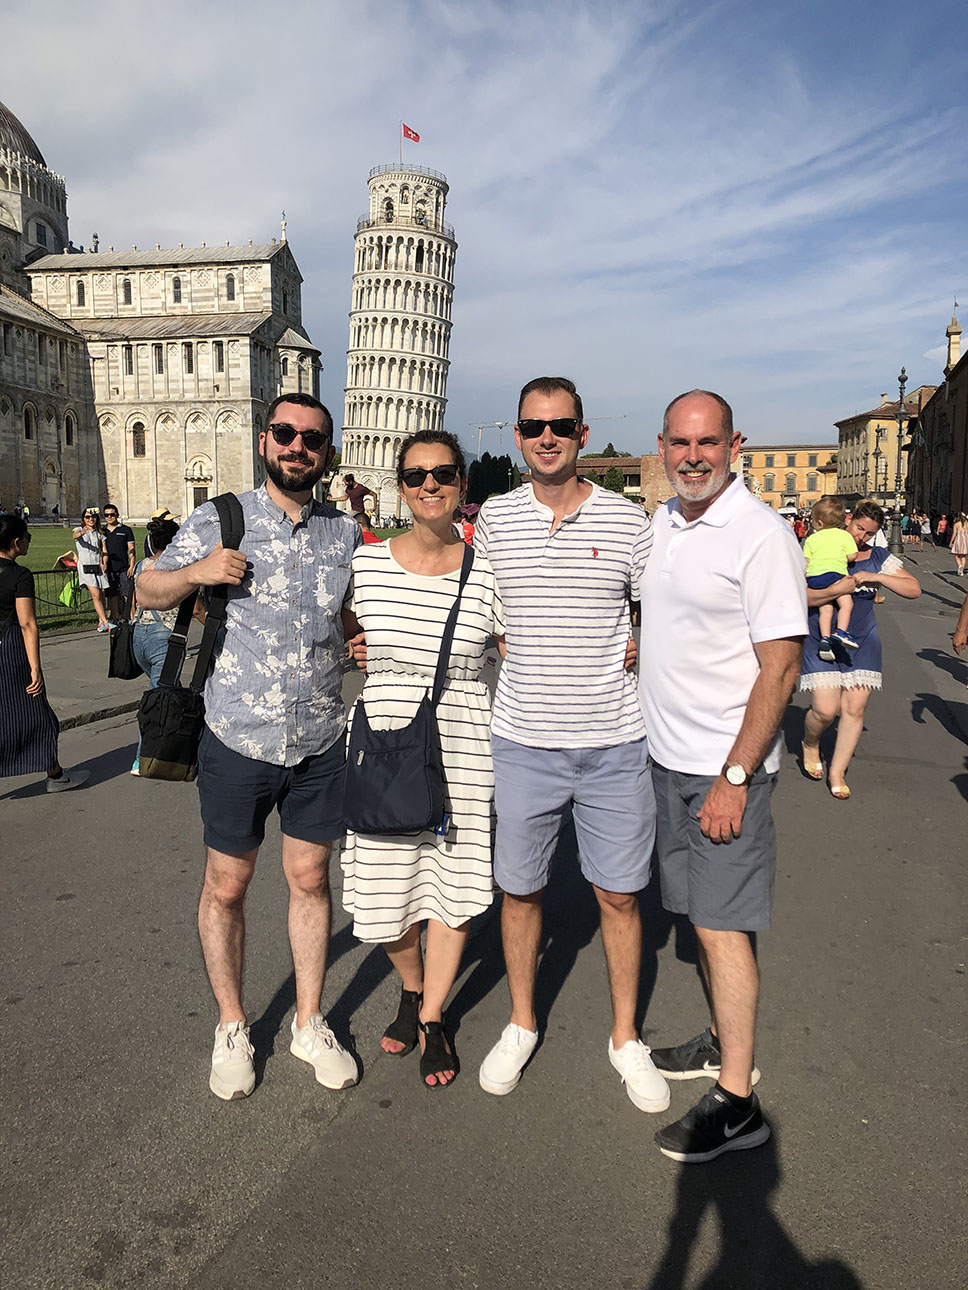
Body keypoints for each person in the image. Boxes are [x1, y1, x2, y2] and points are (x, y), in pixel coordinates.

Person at [137, 392, 362, 1102]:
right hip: (238, 734)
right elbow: (146, 589)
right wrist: (195, 574)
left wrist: (358, 637)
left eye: (312, 439)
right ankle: (232, 1024)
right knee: (227, 885)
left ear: (326, 453)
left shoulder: (344, 533)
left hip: (320, 736)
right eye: (286, 433)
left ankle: (308, 1021)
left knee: (311, 880)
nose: (298, 447)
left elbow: (349, 612)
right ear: (266, 440)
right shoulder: (221, 517)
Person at [474, 376, 668, 1115]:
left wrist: (645, 639)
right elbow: (470, 603)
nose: (546, 437)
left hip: (614, 739)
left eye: (560, 425)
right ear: (517, 436)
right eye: (533, 426)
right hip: (524, 738)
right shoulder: (496, 518)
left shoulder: (626, 521)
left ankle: (625, 1036)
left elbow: (663, 605)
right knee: (520, 889)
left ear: (583, 434)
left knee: (619, 895)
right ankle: (522, 1021)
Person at [638, 389, 807, 1164]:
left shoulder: (760, 534)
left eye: (708, 442)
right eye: (680, 442)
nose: (693, 456)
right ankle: (718, 1039)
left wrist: (736, 775)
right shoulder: (665, 524)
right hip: (668, 762)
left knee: (720, 925)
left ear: (734, 446)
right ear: (663, 447)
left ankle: (738, 1101)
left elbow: (782, 667)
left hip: (722, 770)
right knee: (702, 917)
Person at [341, 430, 505, 1089]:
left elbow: (524, 650)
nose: (429, 485)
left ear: (462, 483)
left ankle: (433, 1013)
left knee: (453, 884)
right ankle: (411, 984)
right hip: (384, 739)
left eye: (442, 473)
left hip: (463, 742)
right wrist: (357, 648)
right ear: (400, 486)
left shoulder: (488, 572)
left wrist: (625, 646)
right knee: (383, 891)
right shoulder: (366, 566)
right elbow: (331, 629)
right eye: (415, 475)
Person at [800, 498, 921, 800]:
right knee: (825, 710)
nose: (861, 537)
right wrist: (834, 590)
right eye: (858, 528)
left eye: (869, 533)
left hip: (862, 640)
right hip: (822, 637)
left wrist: (878, 577)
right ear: (848, 520)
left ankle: (837, 772)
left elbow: (914, 589)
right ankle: (810, 742)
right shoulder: (820, 547)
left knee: (854, 708)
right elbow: (799, 596)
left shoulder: (877, 556)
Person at [0, 515, 89, 792]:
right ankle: (55, 775)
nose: (29, 542)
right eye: (27, 537)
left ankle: (54, 771)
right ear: (17, 542)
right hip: (10, 647)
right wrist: (35, 667)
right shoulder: (19, 575)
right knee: (37, 713)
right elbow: (27, 624)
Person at [129, 516, 203, 776]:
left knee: (167, 692)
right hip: (165, 640)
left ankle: (181, 747)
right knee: (158, 701)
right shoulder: (177, 570)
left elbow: (135, 599)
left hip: (140, 636)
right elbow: (196, 608)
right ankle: (143, 758)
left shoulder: (142, 565)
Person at [802, 496, 859, 658]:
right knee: (846, 604)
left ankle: (825, 640)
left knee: (825, 610)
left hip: (815, 577)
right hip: (836, 574)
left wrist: (804, 579)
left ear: (819, 523)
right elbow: (853, 556)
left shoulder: (811, 539)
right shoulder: (844, 536)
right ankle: (841, 631)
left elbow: (805, 562)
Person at [72, 508, 113, 631]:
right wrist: (82, 532)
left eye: (93, 517)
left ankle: (101, 622)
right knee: (96, 595)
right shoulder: (79, 530)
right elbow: (74, 536)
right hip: (86, 566)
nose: (90, 519)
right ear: (83, 519)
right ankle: (105, 622)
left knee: (102, 593)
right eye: (87, 517)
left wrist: (104, 562)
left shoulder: (100, 534)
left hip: (98, 565)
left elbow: (104, 550)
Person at [101, 504, 136, 622]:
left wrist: (132, 565)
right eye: (106, 515)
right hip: (109, 568)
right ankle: (115, 617)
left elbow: (131, 548)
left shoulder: (125, 530)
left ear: (117, 515)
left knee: (128, 594)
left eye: (112, 514)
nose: (109, 517)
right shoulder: (102, 531)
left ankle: (132, 617)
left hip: (123, 567)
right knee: (112, 595)